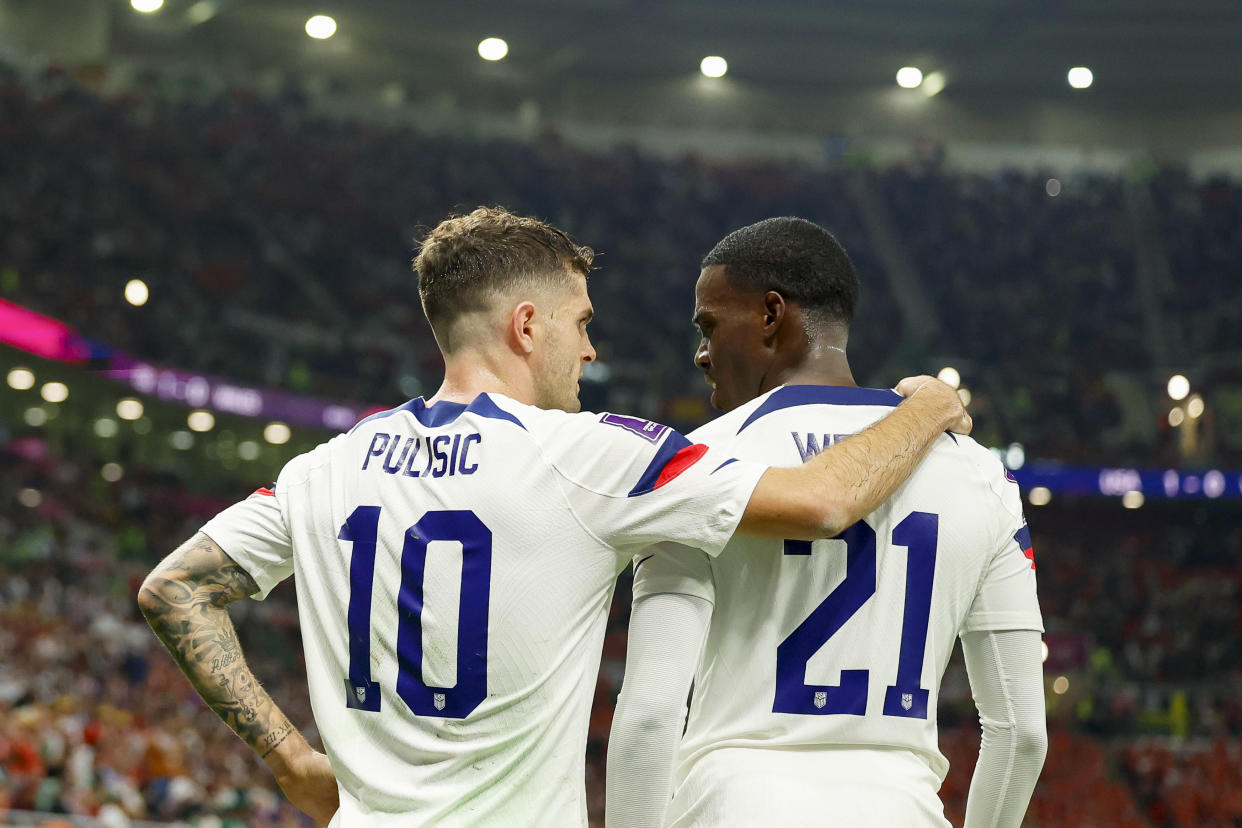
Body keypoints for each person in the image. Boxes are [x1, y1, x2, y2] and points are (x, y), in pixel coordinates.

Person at [137, 207, 971, 827]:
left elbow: (172, 589)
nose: (592, 350)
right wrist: (928, 406)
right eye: (582, 324)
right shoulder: (591, 454)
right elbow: (822, 501)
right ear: (526, 325)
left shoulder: (325, 469)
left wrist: (291, 762)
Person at [606, 217, 1046, 828]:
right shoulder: (980, 475)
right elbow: (1022, 732)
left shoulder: (696, 464)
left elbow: (652, 711)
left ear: (771, 315)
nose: (702, 354)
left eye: (709, 327)